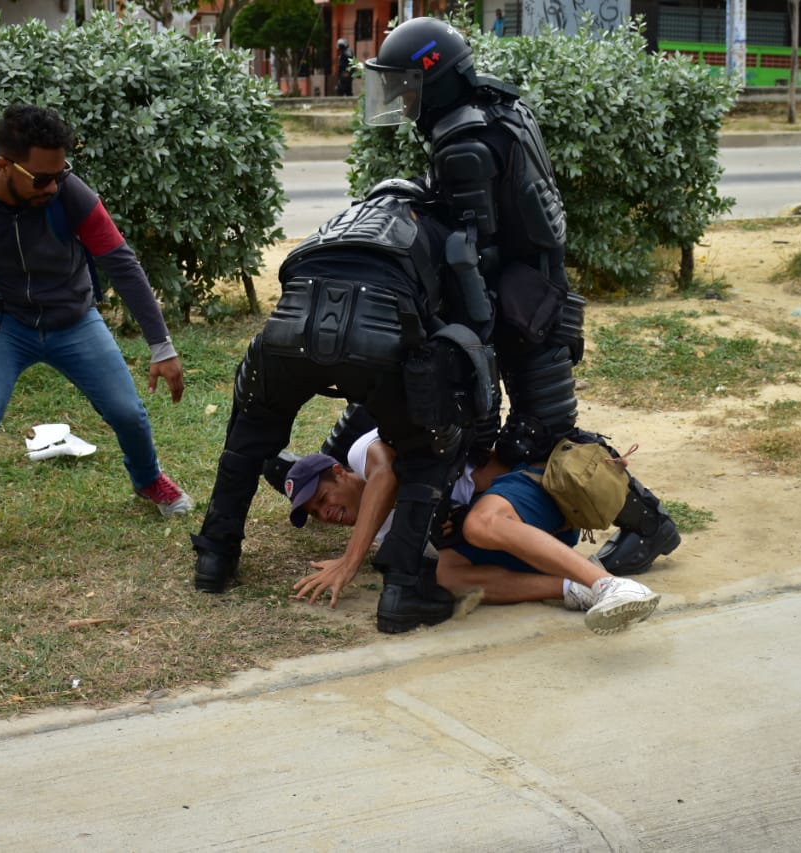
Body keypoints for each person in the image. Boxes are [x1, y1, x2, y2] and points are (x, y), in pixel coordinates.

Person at [357, 16, 680, 576]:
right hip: (531, 291)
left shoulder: (462, 142)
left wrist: (470, 332)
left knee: (545, 433)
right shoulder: (498, 109)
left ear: (435, 78)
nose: (402, 98)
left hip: (523, 305)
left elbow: (471, 252)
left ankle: (648, 523)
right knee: (522, 432)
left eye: (408, 83)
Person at [190, 181, 496, 635]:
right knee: (426, 451)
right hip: (379, 338)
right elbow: (473, 322)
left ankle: (215, 558)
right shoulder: (436, 231)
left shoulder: (337, 225)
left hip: (286, 333)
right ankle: (401, 590)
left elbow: (291, 275)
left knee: (247, 440)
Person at [0, 104, 191, 567]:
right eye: (40, 178)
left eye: (60, 173)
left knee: (126, 411)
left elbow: (122, 265)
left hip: (73, 319)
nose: (52, 186)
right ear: (3, 166)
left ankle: (148, 479)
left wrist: (162, 346)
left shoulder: (71, 195)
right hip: (3, 324)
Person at [288, 429, 661, 635]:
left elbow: (385, 474)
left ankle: (610, 584)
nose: (326, 513)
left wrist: (349, 561)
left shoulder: (360, 454)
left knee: (478, 523)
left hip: (538, 491)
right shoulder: (385, 533)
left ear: (339, 472)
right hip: (531, 537)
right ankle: (575, 589)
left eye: (322, 498)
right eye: (316, 514)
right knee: (448, 576)